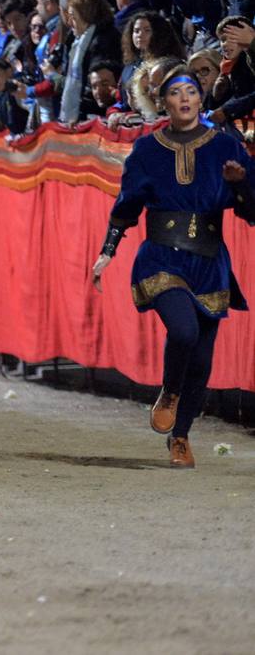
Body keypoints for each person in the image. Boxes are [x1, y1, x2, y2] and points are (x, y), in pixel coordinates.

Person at [92, 65, 255, 468]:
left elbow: (252, 210)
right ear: (163, 102)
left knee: (202, 359)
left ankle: (180, 437)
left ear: (201, 100)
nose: (184, 99)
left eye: (191, 92)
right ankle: (169, 389)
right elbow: (126, 206)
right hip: (162, 255)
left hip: (210, 260)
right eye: (175, 93)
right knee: (182, 330)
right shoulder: (147, 150)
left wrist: (239, 185)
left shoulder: (227, 147)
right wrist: (107, 251)